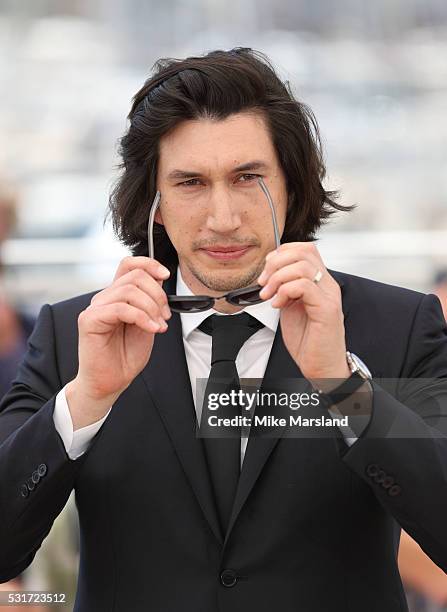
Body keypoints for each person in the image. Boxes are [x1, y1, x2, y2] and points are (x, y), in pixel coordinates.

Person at [0, 48, 446, 612]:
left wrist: (342, 385)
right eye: (190, 183)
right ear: (154, 204)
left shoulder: (396, 325)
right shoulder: (77, 333)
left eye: (247, 178)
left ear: (290, 183)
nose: (223, 218)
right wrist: (86, 399)